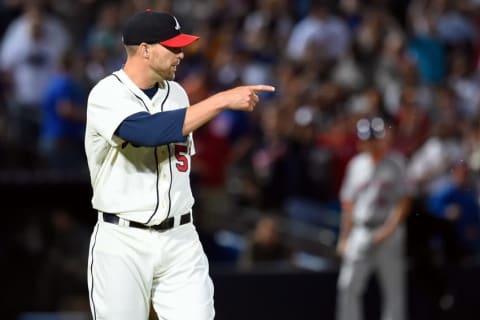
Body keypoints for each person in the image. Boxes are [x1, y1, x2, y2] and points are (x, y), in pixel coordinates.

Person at [84, 9, 274, 320]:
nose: (181, 54)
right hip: (123, 241)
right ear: (145, 50)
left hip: (180, 236)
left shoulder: (177, 94)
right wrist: (222, 99)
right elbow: (147, 132)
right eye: (173, 47)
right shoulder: (107, 93)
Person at [336, 117, 413, 320]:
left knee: (393, 290)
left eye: (374, 138)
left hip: (388, 231)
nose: (370, 142)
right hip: (361, 230)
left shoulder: (397, 162)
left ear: (383, 139)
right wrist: (344, 237)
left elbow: (404, 201)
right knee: (348, 285)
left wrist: (388, 230)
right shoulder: (356, 165)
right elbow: (348, 204)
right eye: (366, 139)